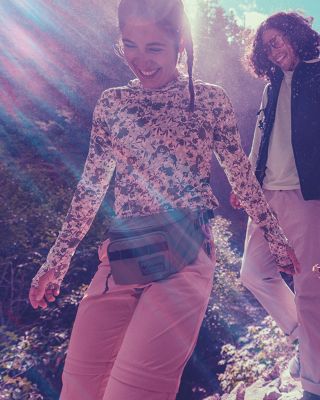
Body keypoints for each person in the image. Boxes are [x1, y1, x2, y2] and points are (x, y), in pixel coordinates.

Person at [29, 2, 299, 399]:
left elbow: (239, 173)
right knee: (80, 385)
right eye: (130, 45)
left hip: (186, 254)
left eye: (154, 47)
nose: (141, 60)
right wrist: (57, 260)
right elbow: (91, 185)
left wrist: (275, 238)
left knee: (135, 389)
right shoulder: (113, 104)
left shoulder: (208, 99)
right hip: (122, 254)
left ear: (180, 44)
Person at [231, 11, 320, 400]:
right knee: (253, 272)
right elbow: (261, 137)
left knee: (310, 288)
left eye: (280, 39)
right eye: (268, 45)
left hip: (305, 195)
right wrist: (246, 180)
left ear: (297, 35)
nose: (275, 48)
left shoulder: (318, 75)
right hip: (266, 195)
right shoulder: (270, 87)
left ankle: (314, 384)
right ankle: (306, 342)